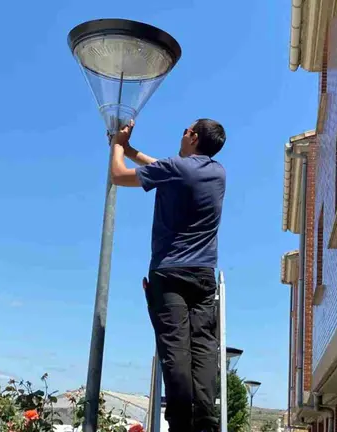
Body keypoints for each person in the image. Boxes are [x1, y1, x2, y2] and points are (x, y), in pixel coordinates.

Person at [109, 118, 227, 432]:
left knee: (175, 349)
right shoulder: (217, 173)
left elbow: (118, 176)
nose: (182, 133)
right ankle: (206, 422)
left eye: (186, 130)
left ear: (194, 137)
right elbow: (164, 168)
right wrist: (133, 150)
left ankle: (180, 423)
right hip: (203, 276)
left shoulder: (176, 169)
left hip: (170, 272)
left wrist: (117, 147)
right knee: (203, 349)